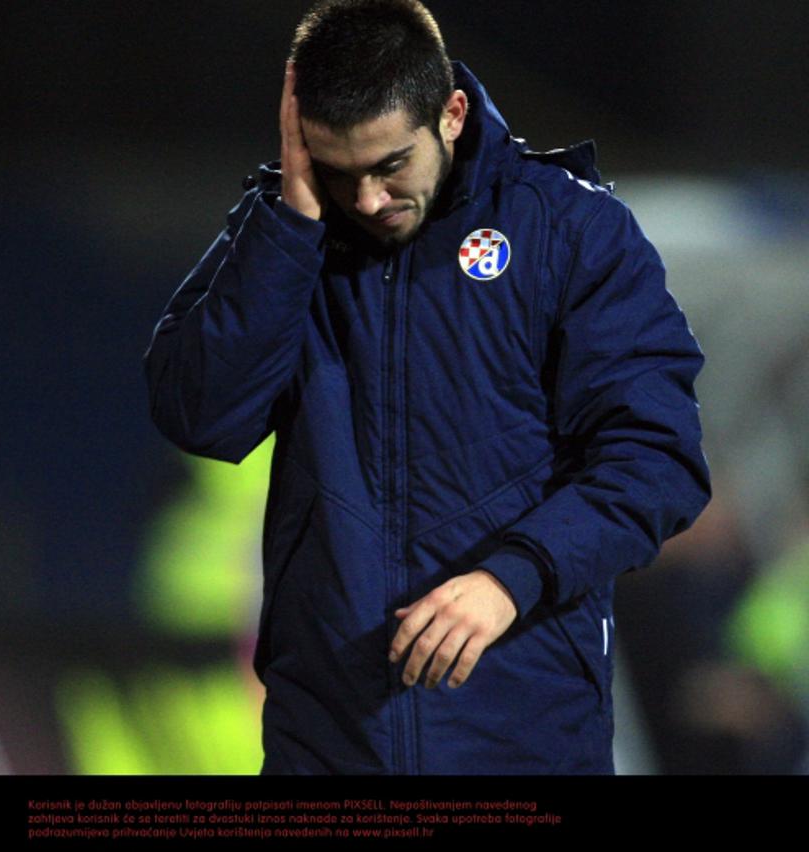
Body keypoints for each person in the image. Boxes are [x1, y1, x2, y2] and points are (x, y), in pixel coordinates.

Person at [142, 0, 711, 774]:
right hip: (328, 743)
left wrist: (511, 579)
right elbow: (200, 416)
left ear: (450, 114)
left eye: (389, 166)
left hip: (519, 738)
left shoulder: (571, 231)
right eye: (339, 171)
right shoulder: (282, 238)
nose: (368, 200)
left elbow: (656, 459)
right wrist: (293, 220)